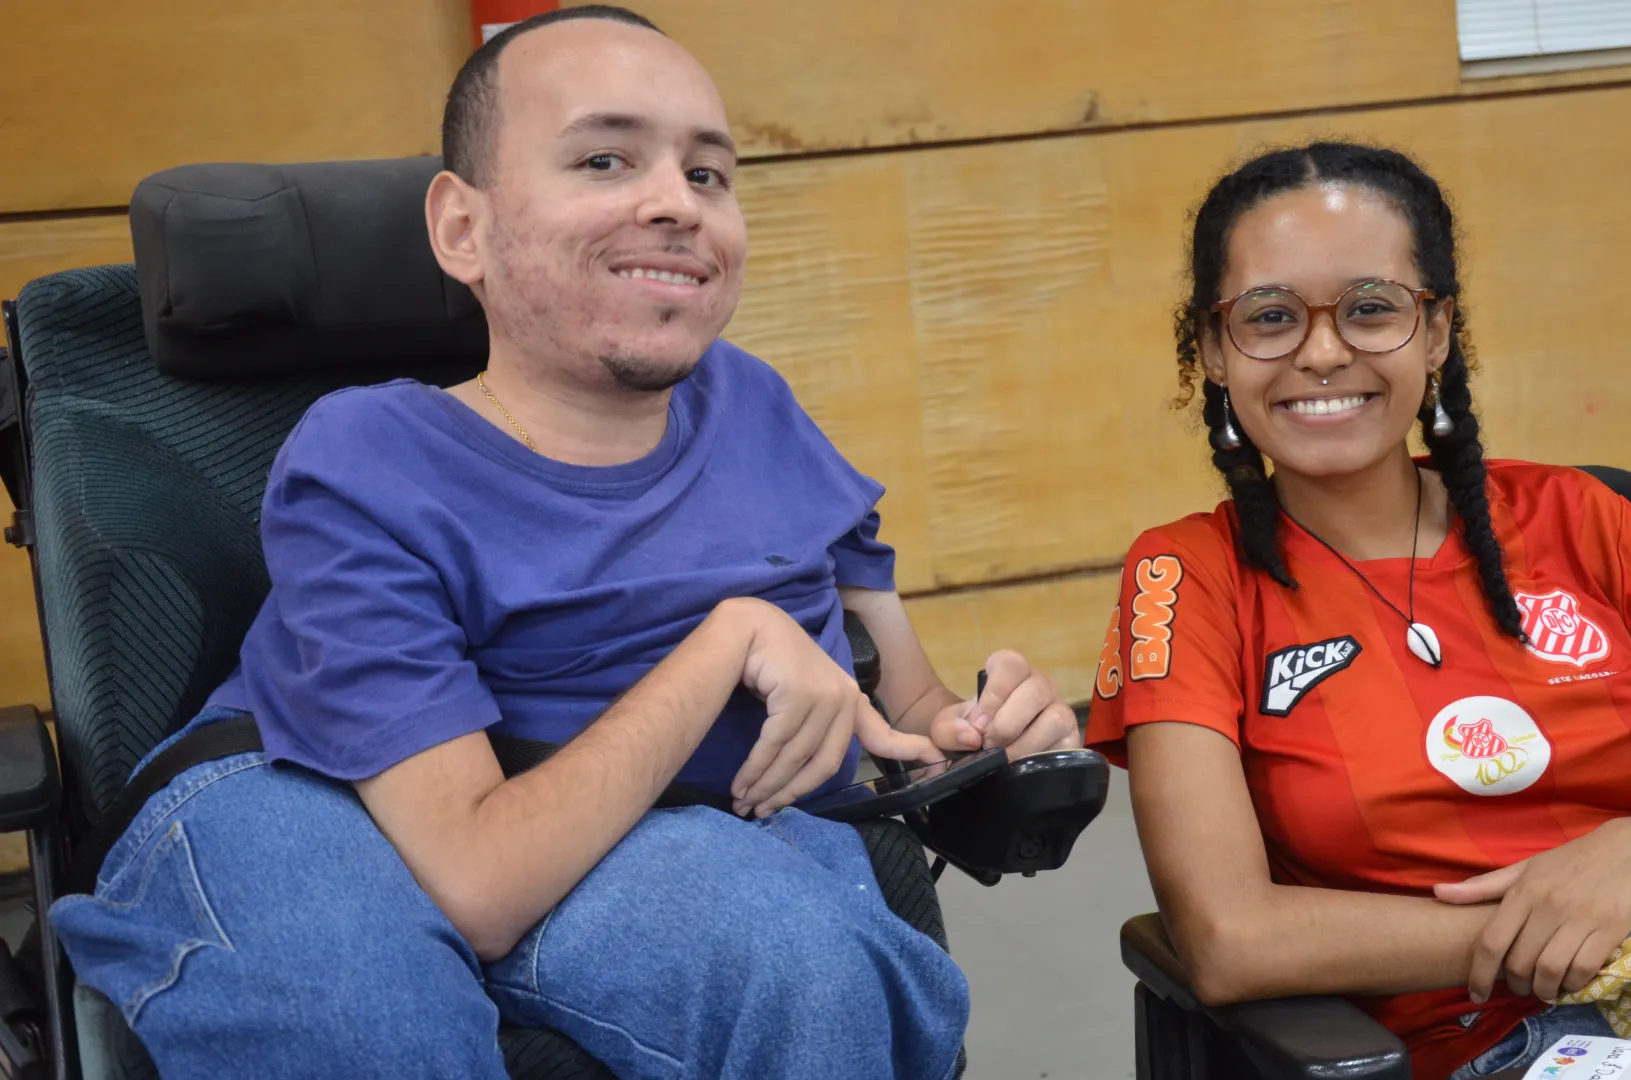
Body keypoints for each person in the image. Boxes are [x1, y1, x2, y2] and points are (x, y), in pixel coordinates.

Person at [50, 8, 1079, 1078]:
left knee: (806, 969)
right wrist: (728, 641)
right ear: (462, 229)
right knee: (365, 1019)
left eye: (709, 174)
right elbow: (478, 877)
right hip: (313, 798)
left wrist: (981, 733)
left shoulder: (760, 409)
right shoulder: (370, 456)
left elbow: (906, 704)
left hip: (630, 829)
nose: (676, 202)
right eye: (604, 160)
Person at [1086, 142, 1631, 1080]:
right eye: (1270, 317)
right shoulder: (1187, 575)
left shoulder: (1583, 516)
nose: (1323, 352)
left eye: (1371, 309)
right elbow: (1229, 938)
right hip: (1482, 1047)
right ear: (1213, 350)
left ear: (1436, 332)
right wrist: (1622, 923)